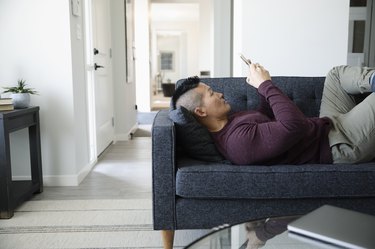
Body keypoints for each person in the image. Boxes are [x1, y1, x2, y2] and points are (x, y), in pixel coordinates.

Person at [171, 63, 375, 165]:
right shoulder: (237, 143)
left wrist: (261, 88)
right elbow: (295, 125)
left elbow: (265, 119)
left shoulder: (230, 122)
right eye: (211, 94)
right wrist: (265, 84)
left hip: (330, 124)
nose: (220, 93)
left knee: (336, 75)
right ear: (200, 111)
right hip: (340, 143)